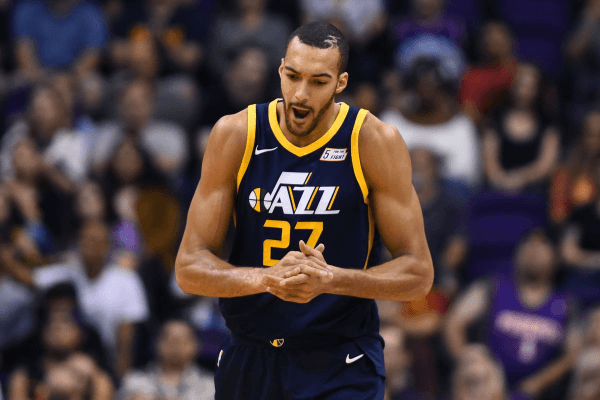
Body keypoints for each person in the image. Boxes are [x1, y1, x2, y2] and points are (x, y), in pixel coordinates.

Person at [175, 22, 434, 399]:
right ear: (280, 70)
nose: (300, 93)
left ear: (341, 83)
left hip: (340, 359)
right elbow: (189, 268)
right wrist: (267, 279)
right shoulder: (237, 134)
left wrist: (332, 280)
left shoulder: (373, 140)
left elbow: (418, 273)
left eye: (318, 81)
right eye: (293, 76)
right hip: (251, 354)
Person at [444, 230, 577, 399]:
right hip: (486, 387)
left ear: (556, 258)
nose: (533, 252)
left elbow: (572, 354)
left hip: (539, 393)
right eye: (528, 246)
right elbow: (454, 322)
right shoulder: (492, 286)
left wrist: (537, 383)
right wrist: (468, 360)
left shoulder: (566, 304)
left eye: (541, 247)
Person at [118, 319, 214, 400]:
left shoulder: (210, 385)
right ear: (157, 343)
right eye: (170, 339)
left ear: (196, 345)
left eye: (183, 340)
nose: (176, 345)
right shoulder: (135, 380)